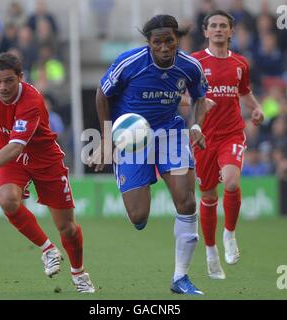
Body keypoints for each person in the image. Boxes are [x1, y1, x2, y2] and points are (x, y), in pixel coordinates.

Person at [90, 14, 215, 295]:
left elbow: (200, 97)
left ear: (176, 40)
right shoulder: (129, 62)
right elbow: (101, 93)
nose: (163, 47)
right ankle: (136, 192)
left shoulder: (189, 66)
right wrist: (107, 138)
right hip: (133, 139)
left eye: (169, 41)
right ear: (148, 43)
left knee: (186, 201)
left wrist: (195, 125)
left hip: (171, 133)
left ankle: (180, 277)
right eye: (157, 42)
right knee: (138, 217)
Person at [0, 52, 95, 293]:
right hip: (12, 157)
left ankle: (79, 273)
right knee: (7, 200)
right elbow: (10, 143)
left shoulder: (32, 101)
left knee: (67, 227)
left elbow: (17, 145)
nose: (2, 87)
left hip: (44, 159)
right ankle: (48, 249)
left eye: (9, 80)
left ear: (21, 77)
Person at [190, 10, 264, 280]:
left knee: (231, 182)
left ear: (231, 32)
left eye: (224, 26)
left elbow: (243, 91)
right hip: (203, 138)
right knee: (208, 196)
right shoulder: (195, 62)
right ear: (206, 31)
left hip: (232, 133)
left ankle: (229, 234)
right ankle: (211, 252)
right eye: (214, 26)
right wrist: (198, 106)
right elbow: (181, 97)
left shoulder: (240, 63)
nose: (219, 29)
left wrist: (256, 109)